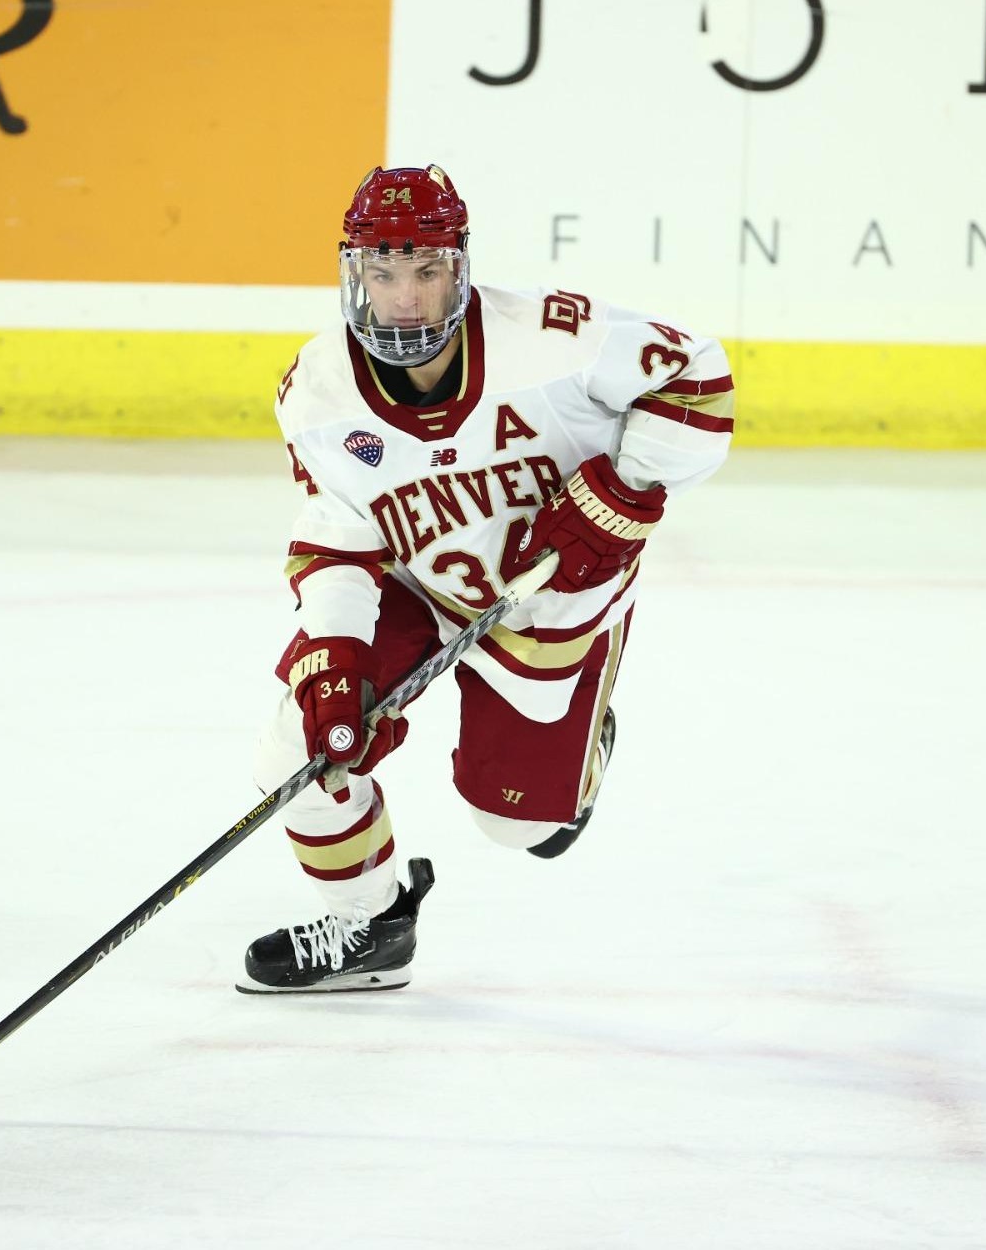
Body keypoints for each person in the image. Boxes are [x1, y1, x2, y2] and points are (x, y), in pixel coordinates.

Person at [239, 164, 734, 993]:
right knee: (303, 746)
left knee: (521, 827)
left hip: (554, 596)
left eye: (426, 271)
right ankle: (371, 927)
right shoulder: (317, 392)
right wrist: (335, 652)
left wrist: (621, 495)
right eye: (382, 273)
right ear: (353, 274)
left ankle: (582, 744)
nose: (405, 299)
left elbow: (699, 377)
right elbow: (336, 542)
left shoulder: (551, 338)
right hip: (415, 585)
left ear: (460, 267)